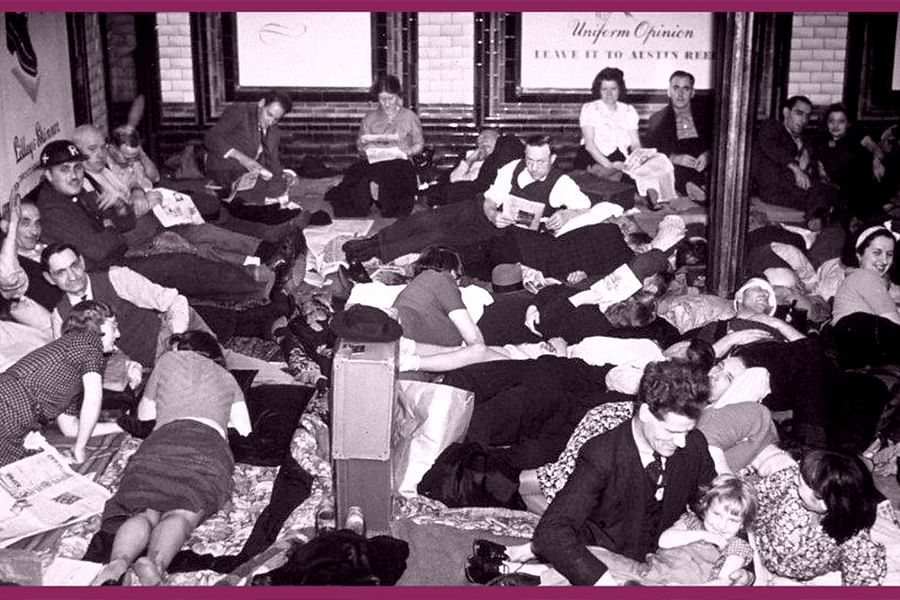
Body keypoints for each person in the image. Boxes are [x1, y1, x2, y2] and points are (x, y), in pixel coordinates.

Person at [530, 360, 718, 586]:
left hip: (665, 564)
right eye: (671, 431)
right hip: (606, 562)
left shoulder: (694, 445)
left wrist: (744, 566)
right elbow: (551, 531)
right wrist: (603, 582)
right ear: (646, 412)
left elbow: (718, 501)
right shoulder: (602, 455)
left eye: (688, 431)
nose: (680, 442)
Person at [90, 330, 252, 586]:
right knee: (182, 513)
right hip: (206, 448)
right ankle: (154, 563)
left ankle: (117, 563)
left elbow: (144, 417)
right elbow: (245, 428)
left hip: (161, 444)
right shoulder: (227, 377)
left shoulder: (167, 362)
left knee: (143, 512)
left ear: (184, 350)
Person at [34, 139, 274, 303]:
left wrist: (117, 209)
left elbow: (126, 223)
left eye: (77, 168)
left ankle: (255, 281)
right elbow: (99, 249)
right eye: (64, 169)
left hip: (120, 255)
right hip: (103, 274)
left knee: (182, 253)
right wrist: (112, 228)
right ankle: (257, 289)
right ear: (48, 175)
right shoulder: (53, 208)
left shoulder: (77, 193)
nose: (74, 175)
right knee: (177, 264)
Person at [342, 135, 592, 280]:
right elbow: (491, 198)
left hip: (503, 232)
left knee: (437, 237)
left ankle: (372, 255)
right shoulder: (512, 167)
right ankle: (370, 241)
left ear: (553, 159)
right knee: (427, 219)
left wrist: (566, 212)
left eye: (540, 162)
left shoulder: (562, 183)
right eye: (529, 160)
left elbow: (587, 206)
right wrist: (492, 212)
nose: (533, 167)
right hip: (485, 210)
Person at [0, 300, 122, 466]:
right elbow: (93, 400)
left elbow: (71, 428)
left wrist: (121, 426)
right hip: (8, 406)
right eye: (114, 326)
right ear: (96, 324)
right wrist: (79, 448)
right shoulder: (89, 341)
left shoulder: (69, 371)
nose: (118, 334)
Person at [42, 244, 197, 368]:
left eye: (74, 266)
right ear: (49, 278)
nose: (72, 276)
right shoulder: (60, 316)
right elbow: (73, 365)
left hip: (167, 340)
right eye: (61, 272)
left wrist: (177, 339)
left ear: (82, 262)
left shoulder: (117, 278)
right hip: (134, 373)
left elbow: (175, 300)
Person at [753, 450, 886, 585]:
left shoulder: (855, 541)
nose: (794, 481)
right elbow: (748, 500)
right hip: (752, 547)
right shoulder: (795, 477)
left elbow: (865, 586)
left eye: (800, 484)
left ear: (824, 503)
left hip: (789, 578)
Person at [573, 67, 676, 205]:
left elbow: (635, 143)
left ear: (620, 89)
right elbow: (590, 145)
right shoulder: (590, 109)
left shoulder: (628, 111)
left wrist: (641, 157)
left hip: (620, 158)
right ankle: (640, 198)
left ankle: (644, 197)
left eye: (613, 88)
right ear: (599, 90)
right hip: (593, 158)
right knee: (620, 175)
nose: (609, 93)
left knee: (657, 161)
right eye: (604, 89)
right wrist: (610, 165)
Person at [325, 75, 424, 218]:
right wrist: (364, 147)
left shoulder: (409, 116)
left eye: (390, 98)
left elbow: (419, 144)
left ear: (398, 96)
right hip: (375, 161)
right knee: (355, 172)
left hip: (400, 161)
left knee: (396, 174)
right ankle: (364, 201)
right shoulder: (369, 118)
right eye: (382, 99)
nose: (386, 103)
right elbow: (360, 145)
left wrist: (409, 151)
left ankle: (384, 200)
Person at [204, 89, 296, 209]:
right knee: (258, 187)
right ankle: (227, 193)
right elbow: (211, 137)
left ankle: (236, 194)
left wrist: (283, 176)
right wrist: (241, 158)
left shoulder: (273, 130)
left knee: (279, 184)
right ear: (261, 103)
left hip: (250, 171)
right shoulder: (240, 112)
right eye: (269, 114)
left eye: (276, 119)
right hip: (225, 165)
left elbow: (272, 159)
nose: (271, 121)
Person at [751, 95, 838, 220]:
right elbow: (772, 147)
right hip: (773, 185)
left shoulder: (803, 139)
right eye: (799, 113)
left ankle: (818, 220)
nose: (803, 120)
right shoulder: (772, 126)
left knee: (831, 192)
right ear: (786, 112)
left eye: (807, 116)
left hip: (792, 187)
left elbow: (814, 161)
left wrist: (816, 168)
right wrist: (796, 169)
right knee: (822, 194)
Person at [830, 225, 900, 369]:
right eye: (877, 252)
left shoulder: (856, 278)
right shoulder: (865, 277)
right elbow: (895, 323)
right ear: (859, 254)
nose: (884, 260)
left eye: (889, 254)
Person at [392, 245, 484, 347]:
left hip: (403, 349)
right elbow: (474, 339)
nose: (458, 284)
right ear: (453, 271)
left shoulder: (416, 287)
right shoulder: (442, 279)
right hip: (416, 353)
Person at [643, 70, 713, 201]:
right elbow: (649, 152)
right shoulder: (657, 119)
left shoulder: (707, 116)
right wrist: (674, 158)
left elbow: (720, 142)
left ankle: (692, 188)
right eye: (676, 88)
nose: (680, 94)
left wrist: (709, 155)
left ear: (692, 93)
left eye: (685, 89)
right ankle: (691, 187)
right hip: (676, 166)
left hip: (703, 164)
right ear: (669, 91)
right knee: (667, 169)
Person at [814, 103, 887, 221]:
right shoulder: (821, 144)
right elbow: (822, 173)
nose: (835, 125)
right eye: (831, 121)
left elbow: (875, 147)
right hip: (842, 188)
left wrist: (877, 161)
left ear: (848, 124)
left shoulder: (856, 135)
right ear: (826, 123)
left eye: (841, 121)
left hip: (866, 180)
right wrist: (828, 184)